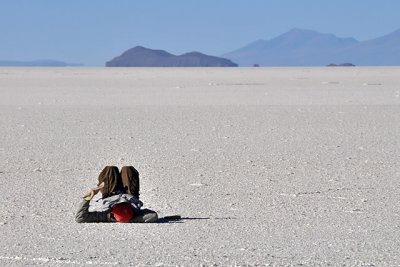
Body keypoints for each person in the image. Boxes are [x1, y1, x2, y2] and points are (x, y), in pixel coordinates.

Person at [75, 166, 158, 223]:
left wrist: (87, 198)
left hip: (110, 194)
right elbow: (153, 215)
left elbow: (80, 218)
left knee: (110, 169)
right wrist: (129, 219)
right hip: (130, 194)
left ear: (112, 212)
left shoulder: (105, 215)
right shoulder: (134, 215)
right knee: (128, 170)